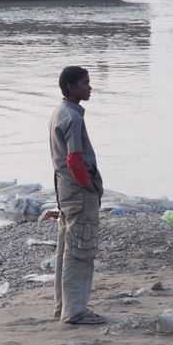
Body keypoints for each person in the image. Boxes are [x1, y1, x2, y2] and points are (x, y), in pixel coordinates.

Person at [49, 65, 106, 325]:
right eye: (85, 83)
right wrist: (89, 186)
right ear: (72, 88)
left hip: (64, 193)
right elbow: (74, 160)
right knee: (80, 251)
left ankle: (63, 306)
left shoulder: (59, 113)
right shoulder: (73, 117)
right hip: (78, 194)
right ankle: (75, 311)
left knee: (66, 250)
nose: (90, 87)